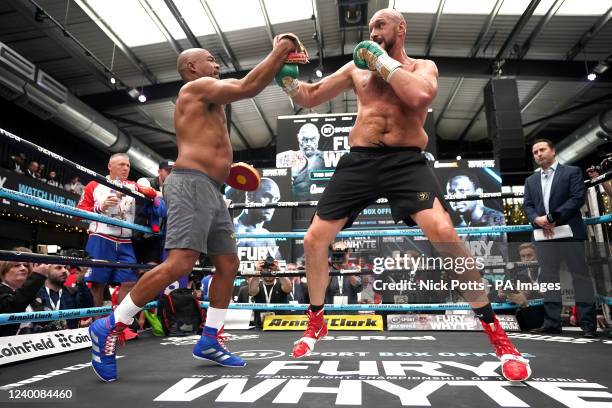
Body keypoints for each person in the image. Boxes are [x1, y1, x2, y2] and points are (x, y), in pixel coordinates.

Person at [276, 8, 530, 381]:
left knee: (445, 236)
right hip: (359, 162)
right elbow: (310, 96)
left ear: (400, 28)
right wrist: (285, 79)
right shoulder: (354, 70)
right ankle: (316, 322)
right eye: (371, 28)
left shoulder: (422, 67)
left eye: (380, 25)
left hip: (406, 163)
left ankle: (500, 338)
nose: (373, 32)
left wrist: (379, 60)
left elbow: (418, 97)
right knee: (314, 239)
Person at [88, 35, 304, 382]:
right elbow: (249, 85)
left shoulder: (211, 101)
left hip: (212, 190)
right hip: (189, 183)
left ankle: (209, 338)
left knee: (228, 263)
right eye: (210, 60)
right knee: (180, 263)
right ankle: (110, 324)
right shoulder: (196, 88)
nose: (216, 65)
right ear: (192, 67)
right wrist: (280, 51)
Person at [523, 139, 597, 338]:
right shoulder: (530, 180)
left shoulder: (572, 172)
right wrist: (537, 220)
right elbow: (528, 206)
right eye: (535, 152)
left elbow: (576, 198)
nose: (538, 154)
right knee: (548, 279)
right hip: (543, 235)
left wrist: (553, 218)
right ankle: (552, 323)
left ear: (553, 151)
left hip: (569, 232)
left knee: (580, 277)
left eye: (542, 149)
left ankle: (588, 324)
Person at [77, 153, 142, 310]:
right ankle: (96, 323)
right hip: (101, 237)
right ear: (110, 166)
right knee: (98, 284)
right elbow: (79, 213)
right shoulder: (94, 185)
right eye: (121, 164)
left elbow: (153, 194)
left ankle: (117, 322)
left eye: (128, 165)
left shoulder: (133, 186)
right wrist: (100, 208)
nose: (126, 168)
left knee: (130, 282)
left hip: (125, 240)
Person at [24, 264, 94, 332]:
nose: (64, 271)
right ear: (46, 271)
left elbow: (88, 307)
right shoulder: (35, 293)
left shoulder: (72, 292)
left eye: (65, 268)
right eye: (58, 268)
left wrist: (81, 282)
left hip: (69, 340)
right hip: (42, 341)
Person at [233, 177, 281, 255]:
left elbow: (279, 265)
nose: (272, 204)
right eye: (267, 196)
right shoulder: (228, 227)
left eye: (276, 199)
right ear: (250, 196)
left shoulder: (268, 237)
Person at [276, 123, 325, 200]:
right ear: (299, 137)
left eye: (312, 139)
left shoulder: (326, 158)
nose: (308, 143)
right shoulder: (284, 157)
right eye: (305, 139)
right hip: (292, 206)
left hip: (320, 205)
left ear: (318, 137)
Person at [0, 261, 49, 336]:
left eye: (26, 265)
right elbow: (12, 306)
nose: (23, 268)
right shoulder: (29, 290)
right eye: (17, 265)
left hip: (33, 344)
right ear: (3, 270)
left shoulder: (33, 293)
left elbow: (41, 317)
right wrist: (37, 276)